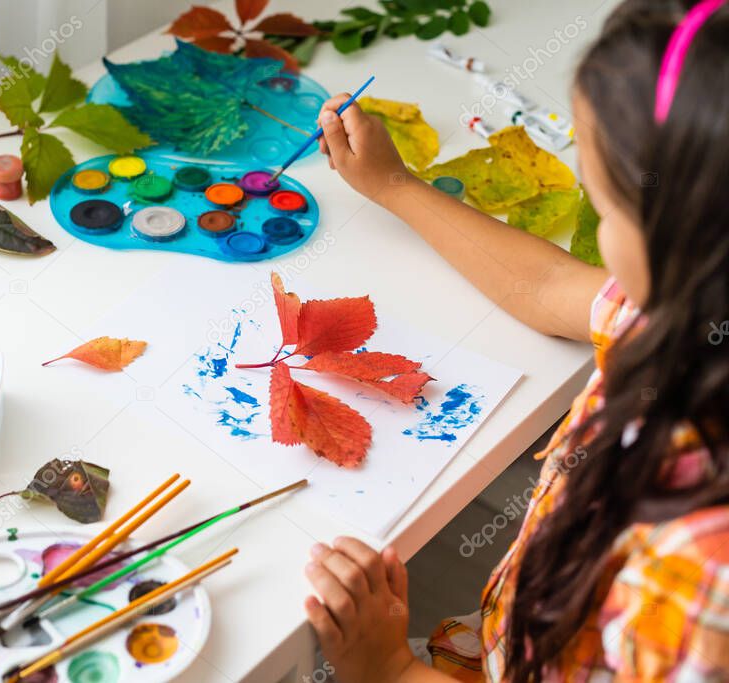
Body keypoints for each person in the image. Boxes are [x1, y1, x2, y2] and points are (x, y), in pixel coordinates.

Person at [303, 0, 729, 680]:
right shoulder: (678, 312)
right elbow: (547, 285)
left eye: (606, 206)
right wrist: (392, 185)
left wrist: (384, 667)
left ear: (681, 232)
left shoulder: (697, 582)